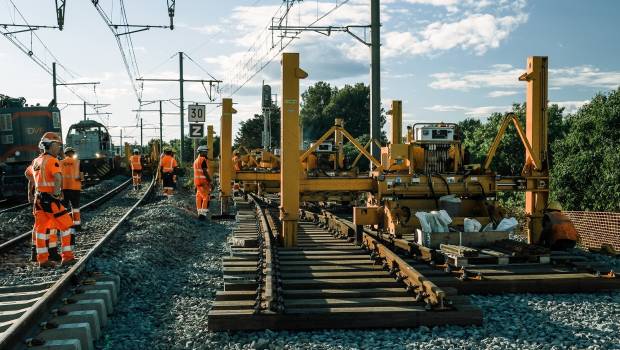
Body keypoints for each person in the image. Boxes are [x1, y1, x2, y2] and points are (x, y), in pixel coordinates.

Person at [29, 132, 75, 268]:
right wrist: (56, 193)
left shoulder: (36, 161)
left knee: (41, 230)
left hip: (38, 200)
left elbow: (28, 174)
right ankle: (67, 257)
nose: (59, 148)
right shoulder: (52, 160)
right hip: (50, 199)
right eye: (57, 145)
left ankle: (42, 260)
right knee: (67, 226)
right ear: (49, 145)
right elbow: (58, 178)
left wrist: (35, 187)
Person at [193, 145, 211, 220]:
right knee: (206, 197)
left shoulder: (196, 160)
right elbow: (204, 171)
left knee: (199, 197)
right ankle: (202, 215)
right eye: (205, 151)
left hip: (197, 182)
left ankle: (199, 213)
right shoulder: (203, 160)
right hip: (203, 182)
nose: (207, 153)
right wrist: (209, 180)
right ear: (202, 152)